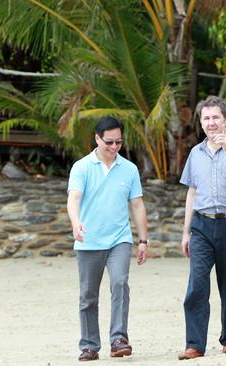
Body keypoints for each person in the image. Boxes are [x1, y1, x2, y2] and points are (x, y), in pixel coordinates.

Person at [177, 95, 226, 360]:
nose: (211, 123)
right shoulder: (195, 153)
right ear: (201, 122)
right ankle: (194, 344)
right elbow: (192, 192)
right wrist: (186, 230)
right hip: (201, 225)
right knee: (197, 285)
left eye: (216, 118)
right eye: (206, 118)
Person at [67, 116, 149, 362]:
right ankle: (90, 345)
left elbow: (137, 204)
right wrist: (75, 223)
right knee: (88, 295)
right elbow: (74, 198)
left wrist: (143, 240)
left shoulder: (129, 169)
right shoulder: (81, 167)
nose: (114, 147)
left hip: (119, 239)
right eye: (109, 142)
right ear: (97, 138)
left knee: (120, 283)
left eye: (119, 143)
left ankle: (118, 339)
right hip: (89, 241)